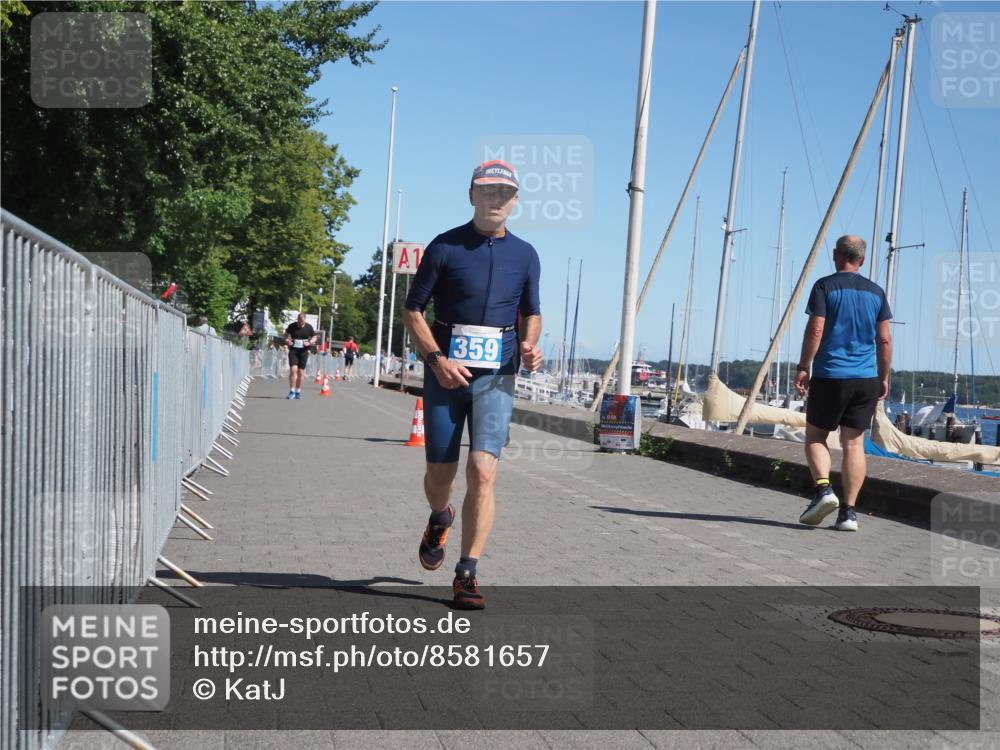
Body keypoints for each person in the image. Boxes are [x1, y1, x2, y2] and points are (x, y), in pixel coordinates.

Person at [402, 159, 542, 610]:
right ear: (471, 195)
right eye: (487, 191)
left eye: (504, 192)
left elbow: (532, 313)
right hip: (445, 376)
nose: (495, 199)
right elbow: (412, 310)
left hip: (496, 377)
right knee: (439, 478)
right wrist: (436, 360)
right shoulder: (445, 246)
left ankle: (467, 572)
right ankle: (440, 516)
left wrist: (530, 345)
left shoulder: (526, 255)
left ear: (515, 201)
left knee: (483, 470)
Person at [794, 235, 892, 532]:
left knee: (815, 436)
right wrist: (883, 376)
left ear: (836, 255)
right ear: (862, 260)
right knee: (854, 444)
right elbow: (884, 340)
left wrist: (803, 366)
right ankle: (848, 514)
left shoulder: (824, 286)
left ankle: (824, 489)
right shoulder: (876, 293)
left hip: (831, 376)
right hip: (865, 379)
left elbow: (816, 330)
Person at [284, 312, 317, 400]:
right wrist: (287, 340)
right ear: (298, 319)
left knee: (301, 372)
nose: (300, 323)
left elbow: (314, 337)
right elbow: (286, 334)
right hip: (293, 350)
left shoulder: (309, 327)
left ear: (305, 320)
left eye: (302, 321)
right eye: (299, 321)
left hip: (304, 351)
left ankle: (298, 391)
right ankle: (292, 391)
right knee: (293, 370)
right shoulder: (292, 326)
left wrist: (309, 342)